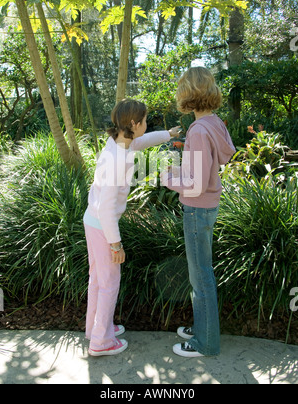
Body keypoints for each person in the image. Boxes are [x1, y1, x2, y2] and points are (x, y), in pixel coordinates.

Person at [84, 98, 180, 357]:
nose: (146, 125)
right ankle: (101, 342)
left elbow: (141, 141)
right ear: (134, 124)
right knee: (110, 283)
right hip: (102, 224)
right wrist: (116, 244)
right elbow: (106, 208)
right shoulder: (117, 160)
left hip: (91, 221)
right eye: (145, 121)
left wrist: (167, 134)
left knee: (98, 278)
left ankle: (95, 329)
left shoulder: (117, 143)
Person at [161, 67, 236, 357]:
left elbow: (195, 185)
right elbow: (201, 172)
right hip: (207, 207)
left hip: (196, 209)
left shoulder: (199, 130)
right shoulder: (214, 123)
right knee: (201, 274)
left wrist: (167, 179)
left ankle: (206, 342)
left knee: (200, 277)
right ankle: (204, 328)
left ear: (188, 93)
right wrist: (176, 169)